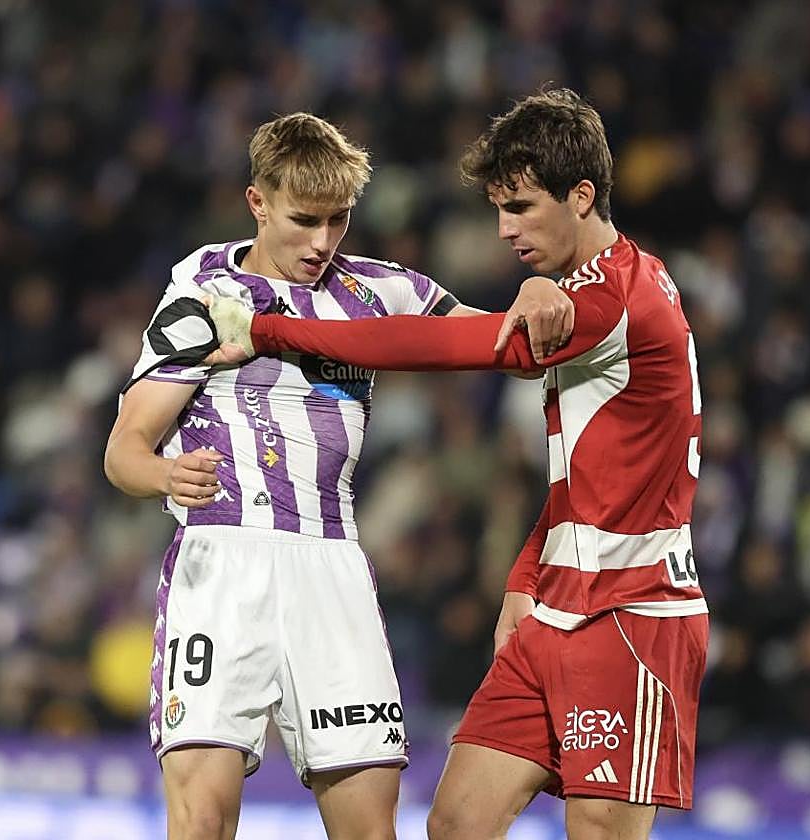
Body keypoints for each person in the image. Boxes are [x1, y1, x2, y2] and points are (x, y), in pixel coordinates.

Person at [207, 87, 709, 840]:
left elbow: (441, 346)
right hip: (555, 602)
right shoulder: (586, 287)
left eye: (522, 208)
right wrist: (522, 577)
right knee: (457, 822)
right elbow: (592, 473)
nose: (505, 230)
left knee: (599, 832)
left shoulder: (612, 300)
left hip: (630, 610)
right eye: (499, 209)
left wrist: (274, 332)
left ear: (581, 196)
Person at [103, 112, 570, 840]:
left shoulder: (380, 290)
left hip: (332, 566)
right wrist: (165, 474)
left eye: (339, 220)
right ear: (258, 203)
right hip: (224, 562)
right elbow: (124, 449)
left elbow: (498, 338)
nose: (323, 242)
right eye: (304, 220)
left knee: (369, 829)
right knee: (201, 820)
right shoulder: (205, 290)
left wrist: (535, 294)